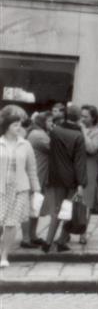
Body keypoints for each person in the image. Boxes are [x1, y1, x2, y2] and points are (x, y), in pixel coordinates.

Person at [0, 105, 41, 267]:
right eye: (15, 125)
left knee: (11, 223)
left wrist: (36, 188)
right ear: (7, 127)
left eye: (20, 125)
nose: (19, 128)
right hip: (0, 188)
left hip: (19, 189)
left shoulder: (25, 145)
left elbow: (32, 169)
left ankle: (4, 255)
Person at [43, 104, 87, 253]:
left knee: (56, 210)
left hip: (56, 176)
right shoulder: (79, 136)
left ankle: (47, 242)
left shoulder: (55, 131)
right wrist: (81, 183)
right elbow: (80, 162)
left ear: (66, 115)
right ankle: (62, 241)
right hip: (72, 178)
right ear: (79, 118)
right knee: (69, 210)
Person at [24, 112, 52, 248]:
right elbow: (54, 148)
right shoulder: (39, 135)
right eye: (50, 121)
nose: (52, 124)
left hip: (38, 175)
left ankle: (32, 236)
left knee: (35, 207)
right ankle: (26, 238)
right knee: (30, 208)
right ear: (43, 122)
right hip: (35, 176)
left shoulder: (37, 133)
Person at [79, 105, 98, 226]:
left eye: (85, 116)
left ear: (93, 118)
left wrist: (83, 131)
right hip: (77, 166)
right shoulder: (78, 128)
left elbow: (91, 148)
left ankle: (83, 232)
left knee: (87, 201)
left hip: (89, 167)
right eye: (81, 115)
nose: (82, 118)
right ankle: (68, 230)